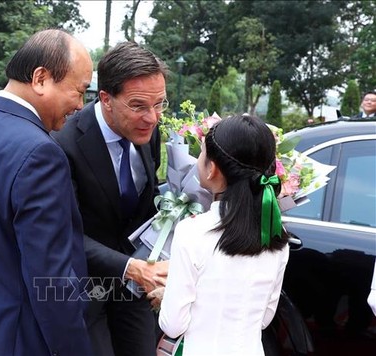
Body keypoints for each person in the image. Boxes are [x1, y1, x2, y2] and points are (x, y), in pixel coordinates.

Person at [0, 29, 93, 355]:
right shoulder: (41, 153)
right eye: (79, 91)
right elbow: (51, 282)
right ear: (41, 78)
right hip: (21, 340)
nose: (80, 105)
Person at [52, 41, 169, 356]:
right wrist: (131, 267)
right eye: (139, 105)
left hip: (134, 289)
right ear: (105, 99)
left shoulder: (148, 131)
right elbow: (63, 233)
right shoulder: (62, 145)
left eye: (160, 104)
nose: (152, 117)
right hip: (83, 289)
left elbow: (146, 201)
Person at [155, 115, 290, 355]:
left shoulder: (192, 232)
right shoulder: (276, 236)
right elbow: (264, 319)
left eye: (202, 153)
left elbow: (173, 324)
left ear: (213, 169)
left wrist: (167, 295)